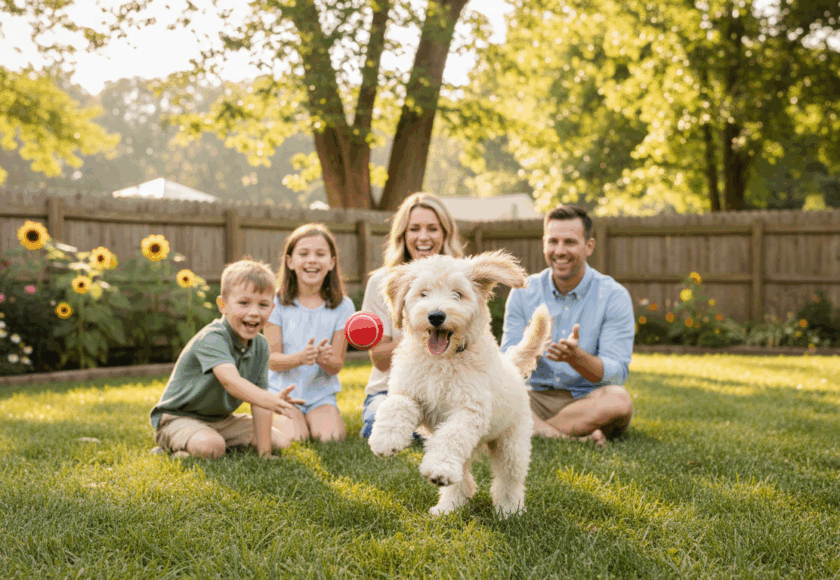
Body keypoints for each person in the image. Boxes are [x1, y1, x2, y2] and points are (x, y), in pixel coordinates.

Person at [501, 204, 635, 446]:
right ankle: (571, 438)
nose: (559, 251)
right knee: (495, 395)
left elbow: (617, 373)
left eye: (570, 242)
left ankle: (531, 432)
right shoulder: (523, 292)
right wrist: (533, 347)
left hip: (587, 400)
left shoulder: (614, 295)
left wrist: (578, 359)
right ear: (544, 243)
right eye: (553, 241)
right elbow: (506, 365)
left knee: (620, 401)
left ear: (589, 246)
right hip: (534, 399)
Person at [150, 257, 304, 459]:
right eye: (244, 303)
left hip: (222, 420)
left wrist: (264, 454)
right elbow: (231, 382)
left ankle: (210, 443)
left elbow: (258, 401)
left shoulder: (260, 345)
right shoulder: (213, 338)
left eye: (263, 305)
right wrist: (269, 400)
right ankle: (170, 451)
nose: (254, 312)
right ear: (223, 305)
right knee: (212, 447)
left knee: (280, 442)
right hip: (179, 418)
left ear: (272, 309)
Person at [359, 192, 466, 438]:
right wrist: (425, 336)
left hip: (448, 393)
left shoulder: (463, 281)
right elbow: (380, 359)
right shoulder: (382, 282)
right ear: (403, 235)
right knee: (379, 425)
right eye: (414, 229)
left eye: (432, 228)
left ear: (445, 233)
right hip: (391, 392)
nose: (423, 237)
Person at [264, 223, 355, 445]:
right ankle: (267, 417)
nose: (312, 260)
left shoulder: (343, 306)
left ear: (332, 262)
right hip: (284, 394)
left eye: (320, 254)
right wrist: (300, 358)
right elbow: (272, 361)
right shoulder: (275, 303)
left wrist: (325, 360)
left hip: (320, 396)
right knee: (295, 439)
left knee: (331, 439)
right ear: (290, 262)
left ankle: (313, 417)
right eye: (303, 253)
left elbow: (336, 365)